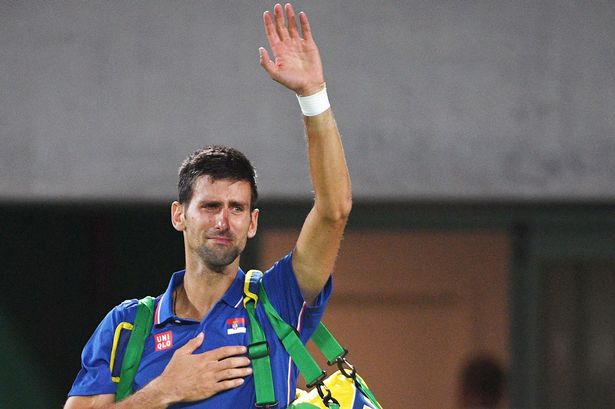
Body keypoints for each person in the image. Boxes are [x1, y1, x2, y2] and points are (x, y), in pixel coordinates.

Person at [64, 3, 351, 408]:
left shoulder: (279, 300)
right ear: (178, 215)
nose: (223, 220)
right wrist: (164, 391)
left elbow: (333, 209)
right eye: (210, 205)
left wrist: (312, 96)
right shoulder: (127, 326)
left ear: (253, 223)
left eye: (237, 209)